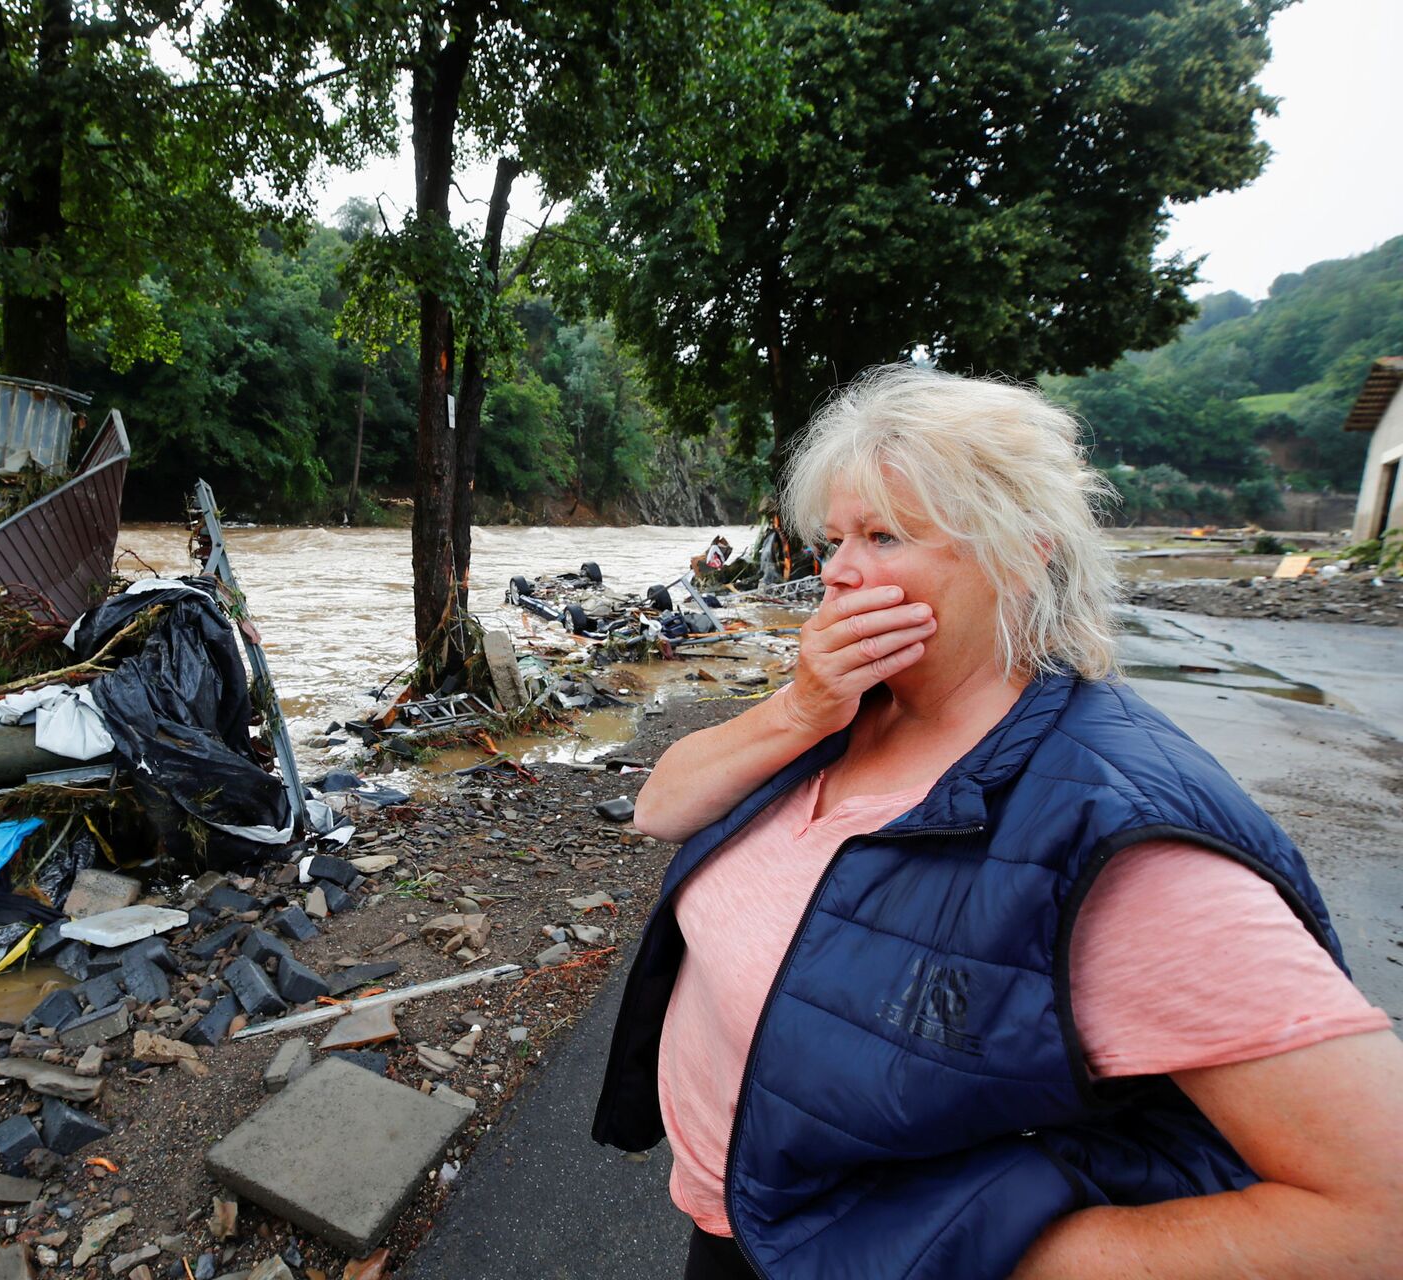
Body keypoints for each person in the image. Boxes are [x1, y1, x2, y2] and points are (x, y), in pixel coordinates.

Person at [592, 366, 1403, 1279]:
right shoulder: (852, 706)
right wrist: (799, 710)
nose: (836, 572)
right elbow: (658, 809)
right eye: (834, 539)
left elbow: (1379, 1215)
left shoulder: (1121, 835)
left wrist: (966, 1256)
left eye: (883, 536)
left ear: (1023, 552)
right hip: (749, 1221)